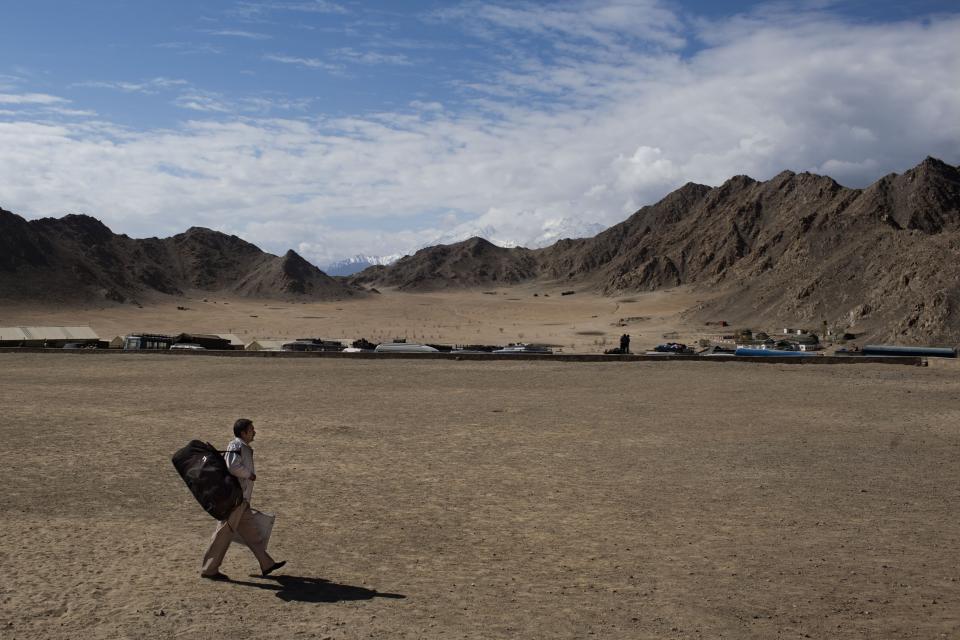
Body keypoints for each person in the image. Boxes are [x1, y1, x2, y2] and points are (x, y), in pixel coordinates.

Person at [201, 418, 286, 581]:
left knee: (251, 533)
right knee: (223, 533)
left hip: (242, 500)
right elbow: (232, 467)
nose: (254, 432)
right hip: (235, 500)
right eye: (251, 429)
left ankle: (266, 564)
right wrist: (249, 475)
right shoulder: (236, 445)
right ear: (243, 433)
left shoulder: (242, 447)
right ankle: (209, 569)